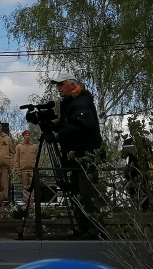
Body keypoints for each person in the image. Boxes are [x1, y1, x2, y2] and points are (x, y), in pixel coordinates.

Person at [47, 73, 103, 239]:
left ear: (72, 84)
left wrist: (58, 135)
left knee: (87, 193)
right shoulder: (73, 102)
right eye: (57, 85)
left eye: (61, 84)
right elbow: (71, 123)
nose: (58, 88)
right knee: (78, 192)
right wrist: (55, 126)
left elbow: (84, 126)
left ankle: (95, 229)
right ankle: (84, 228)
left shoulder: (81, 102)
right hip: (77, 156)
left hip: (85, 155)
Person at [14, 130, 38, 205]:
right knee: (25, 187)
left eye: (28, 135)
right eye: (26, 135)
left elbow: (37, 158)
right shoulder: (19, 147)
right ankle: (26, 202)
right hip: (23, 170)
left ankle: (32, 202)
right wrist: (18, 171)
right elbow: (16, 160)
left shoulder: (35, 147)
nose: (27, 137)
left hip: (32, 170)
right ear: (23, 136)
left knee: (32, 187)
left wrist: (37, 169)